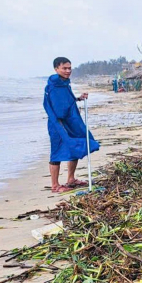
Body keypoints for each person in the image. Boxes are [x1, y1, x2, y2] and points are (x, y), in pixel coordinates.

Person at [44, 57, 100, 193]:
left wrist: (78, 98)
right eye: (64, 68)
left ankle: (71, 179)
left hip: (70, 121)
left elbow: (66, 100)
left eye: (69, 68)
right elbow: (55, 106)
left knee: (77, 143)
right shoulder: (53, 85)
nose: (68, 71)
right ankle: (55, 185)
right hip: (58, 123)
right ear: (56, 69)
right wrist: (64, 118)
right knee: (56, 151)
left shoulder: (64, 83)